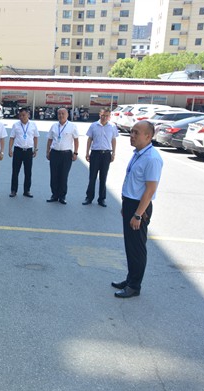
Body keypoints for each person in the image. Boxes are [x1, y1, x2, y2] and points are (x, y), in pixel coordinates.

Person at [113, 121, 163, 298]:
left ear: (148, 136)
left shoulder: (152, 158)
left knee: (137, 248)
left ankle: (134, 286)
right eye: (132, 132)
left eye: (136, 133)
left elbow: (150, 190)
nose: (132, 136)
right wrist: (125, 204)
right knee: (130, 245)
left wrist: (138, 214)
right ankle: (130, 279)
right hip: (131, 204)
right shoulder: (138, 154)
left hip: (139, 207)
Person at [83, 108, 118, 207]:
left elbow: (113, 140)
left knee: (103, 177)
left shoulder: (112, 126)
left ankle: (102, 199)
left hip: (106, 154)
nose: (104, 117)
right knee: (92, 177)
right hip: (95, 154)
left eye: (107, 116)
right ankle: (89, 197)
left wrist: (113, 153)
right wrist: (87, 152)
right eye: (103, 115)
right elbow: (90, 139)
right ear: (100, 115)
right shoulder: (94, 125)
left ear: (109, 116)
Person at [46, 108, 79, 205]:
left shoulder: (72, 126)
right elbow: (49, 140)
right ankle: (54, 195)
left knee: (64, 176)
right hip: (54, 153)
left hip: (66, 154)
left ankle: (62, 196)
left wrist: (75, 153)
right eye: (59, 114)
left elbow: (76, 140)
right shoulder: (54, 126)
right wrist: (48, 152)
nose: (61, 115)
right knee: (54, 175)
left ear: (67, 115)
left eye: (63, 113)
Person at [8, 108, 39, 198]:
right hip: (18, 150)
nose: (22, 117)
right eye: (20, 115)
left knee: (28, 172)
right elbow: (12, 138)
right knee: (15, 171)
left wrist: (35, 149)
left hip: (28, 151)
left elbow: (36, 137)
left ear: (28, 115)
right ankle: (13, 190)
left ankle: (27, 190)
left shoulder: (33, 125)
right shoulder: (16, 125)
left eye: (24, 115)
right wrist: (10, 149)